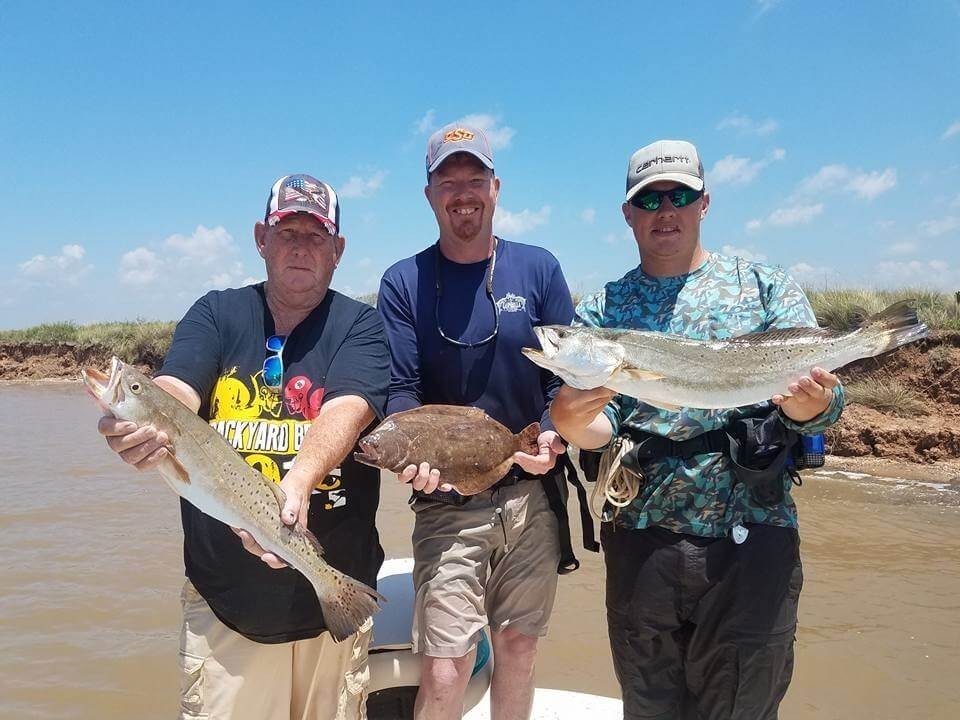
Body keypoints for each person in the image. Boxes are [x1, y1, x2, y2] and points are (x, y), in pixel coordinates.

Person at [550, 140, 845, 720]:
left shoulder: (764, 286)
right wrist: (569, 421)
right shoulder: (603, 310)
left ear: (704, 203)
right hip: (642, 536)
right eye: (649, 199)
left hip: (753, 533)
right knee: (649, 708)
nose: (665, 211)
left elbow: (825, 403)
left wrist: (811, 406)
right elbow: (603, 429)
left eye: (679, 196)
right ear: (628, 213)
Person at [97, 174, 390, 720]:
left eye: (316, 235)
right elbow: (176, 389)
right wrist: (144, 419)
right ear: (261, 238)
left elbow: (346, 410)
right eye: (287, 232)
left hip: (331, 614)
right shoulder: (216, 313)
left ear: (338, 250)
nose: (301, 247)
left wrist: (298, 482)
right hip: (225, 611)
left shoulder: (362, 326)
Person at [377, 122, 577, 720]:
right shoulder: (403, 282)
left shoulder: (539, 269)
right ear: (429, 194)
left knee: (518, 648)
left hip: (532, 493)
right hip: (446, 501)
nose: (462, 193)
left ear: (496, 188)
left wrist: (551, 433)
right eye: (447, 181)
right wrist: (410, 455)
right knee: (446, 665)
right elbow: (401, 391)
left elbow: (563, 380)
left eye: (474, 179)